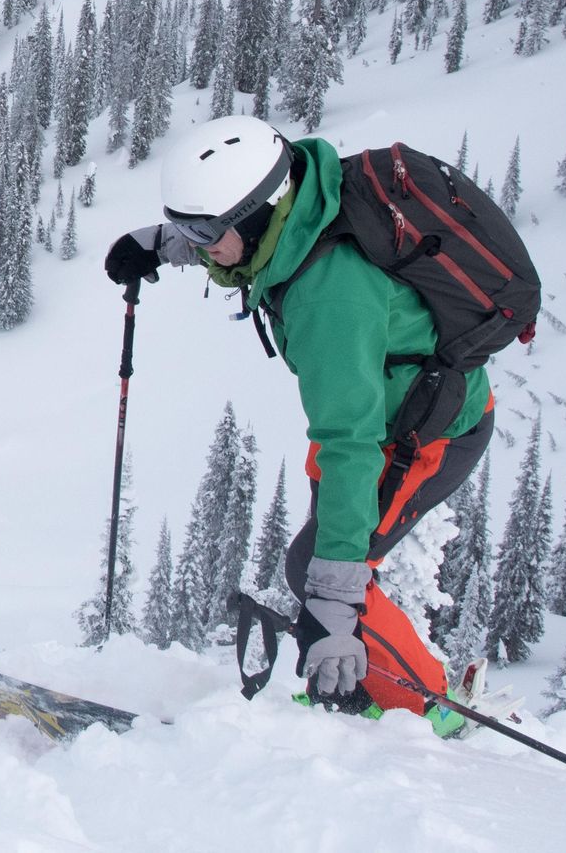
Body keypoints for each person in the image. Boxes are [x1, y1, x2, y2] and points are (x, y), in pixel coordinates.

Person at [104, 115, 491, 735]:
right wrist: (159, 243)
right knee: (325, 565)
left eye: (200, 231)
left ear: (257, 214)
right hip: (380, 407)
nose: (194, 243)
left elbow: (351, 445)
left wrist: (335, 606)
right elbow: (236, 244)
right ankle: (370, 678)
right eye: (185, 227)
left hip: (425, 433)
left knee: (326, 571)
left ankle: (432, 713)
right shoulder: (299, 208)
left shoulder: (327, 298)